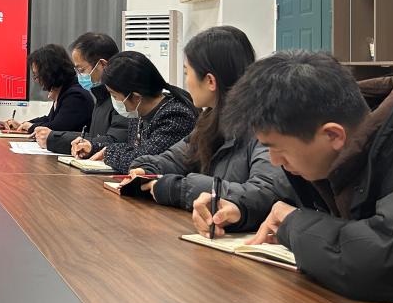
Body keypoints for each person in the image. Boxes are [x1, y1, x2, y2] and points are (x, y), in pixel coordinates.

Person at [193, 52, 393, 302]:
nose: (274, 161)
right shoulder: (330, 134)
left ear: (333, 135)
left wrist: (292, 224)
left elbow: (377, 259)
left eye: (278, 149)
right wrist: (239, 209)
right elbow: (280, 194)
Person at [122, 26, 286, 227]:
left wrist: (178, 189)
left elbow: (265, 193)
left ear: (210, 81)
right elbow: (176, 157)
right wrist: (146, 169)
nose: (186, 82)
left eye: (186, 73)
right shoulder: (210, 120)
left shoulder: (264, 125)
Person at [70, 51, 196, 172]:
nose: (114, 101)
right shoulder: (139, 113)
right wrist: (93, 147)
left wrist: (108, 153)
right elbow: (131, 149)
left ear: (136, 97)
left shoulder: (175, 116)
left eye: (114, 95)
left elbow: (143, 160)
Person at [36, 32, 129, 153]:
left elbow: (114, 142)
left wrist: (54, 139)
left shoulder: (123, 98)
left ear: (102, 65)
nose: (80, 75)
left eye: (81, 69)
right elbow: (94, 137)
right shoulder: (100, 96)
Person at [5, 44, 93, 135]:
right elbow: (49, 119)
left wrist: (30, 127)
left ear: (50, 73)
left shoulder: (75, 95)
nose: (36, 80)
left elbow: (57, 127)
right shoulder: (64, 89)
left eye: (37, 75)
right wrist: (23, 124)